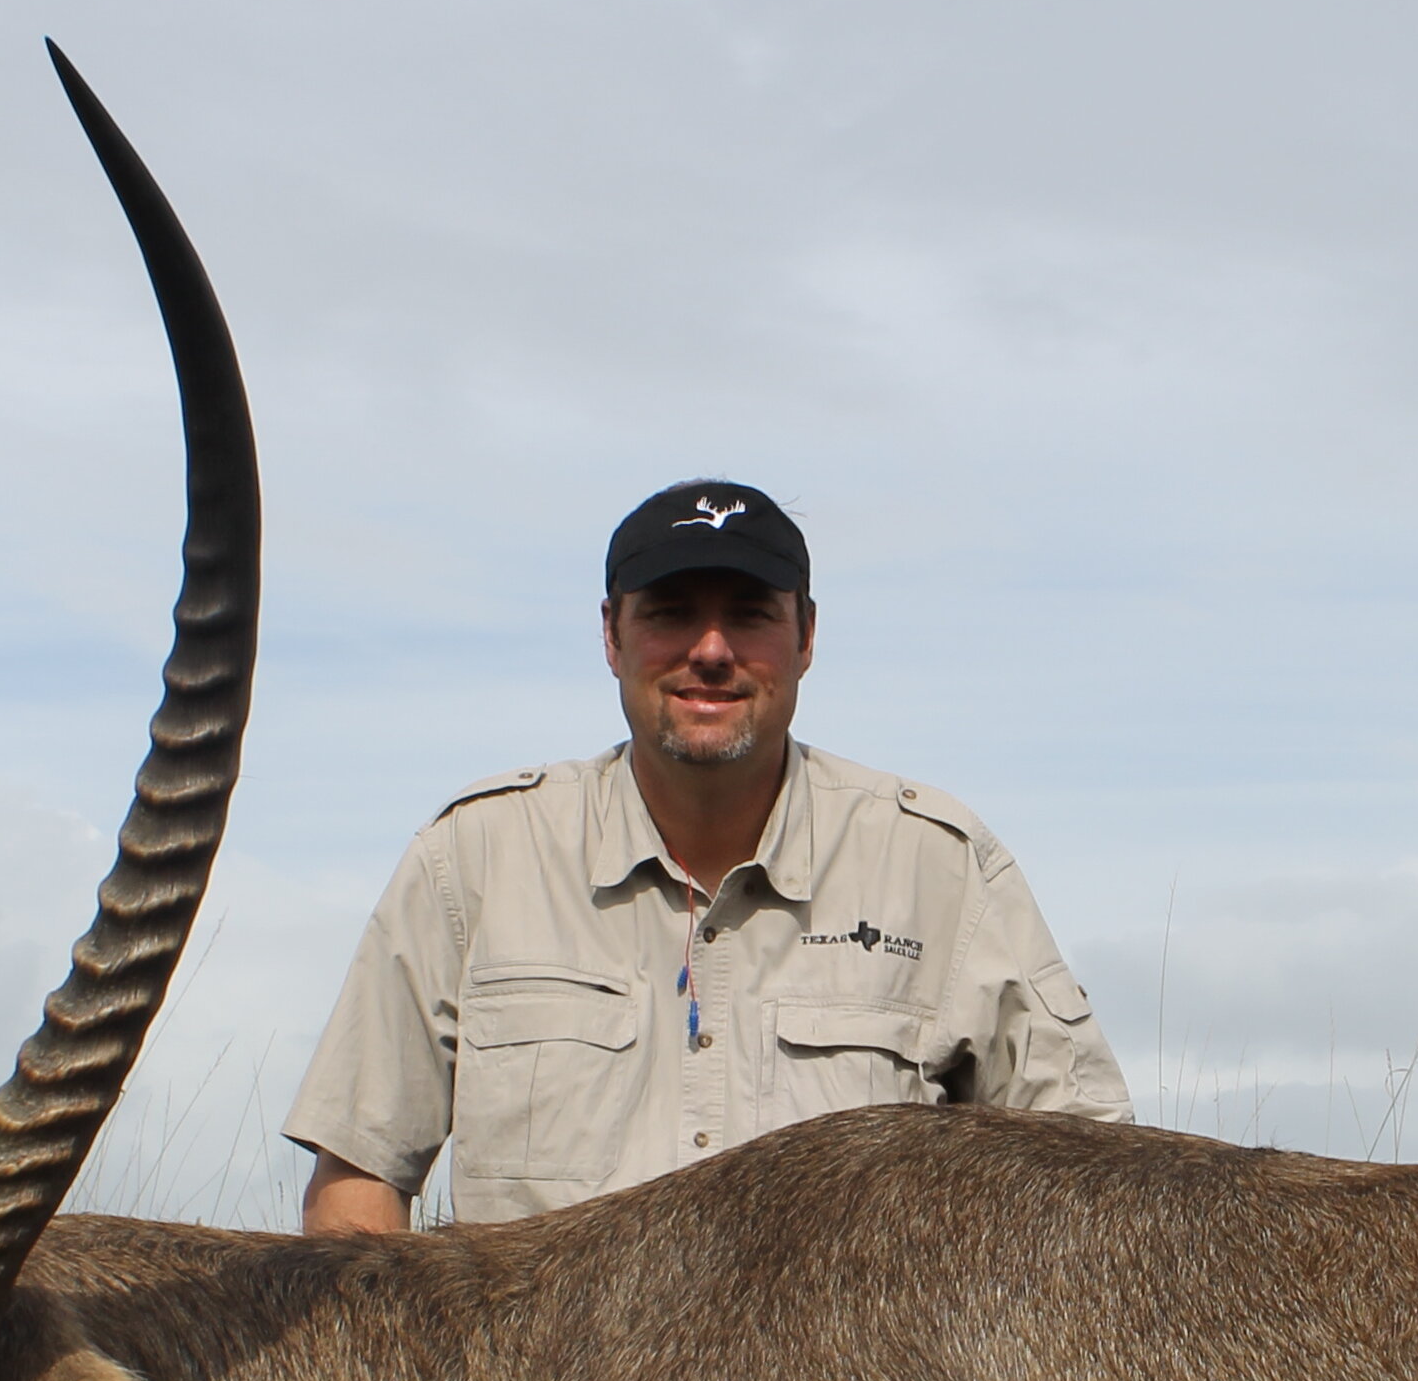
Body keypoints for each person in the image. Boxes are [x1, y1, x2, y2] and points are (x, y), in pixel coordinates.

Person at [284, 479, 1133, 1229]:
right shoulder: (471, 861)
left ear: (806, 637)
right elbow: (356, 1184)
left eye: (752, 614)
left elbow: (1100, 1182)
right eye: (671, 612)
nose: (713, 650)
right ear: (611, 635)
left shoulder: (941, 869)